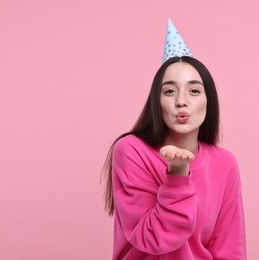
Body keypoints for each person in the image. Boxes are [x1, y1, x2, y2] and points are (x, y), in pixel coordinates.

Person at [103, 20, 246, 259]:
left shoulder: (225, 163)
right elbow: (154, 239)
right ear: (156, 102)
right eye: (170, 91)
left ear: (208, 101)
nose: (182, 101)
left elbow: (230, 249)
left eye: (194, 91)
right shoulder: (131, 150)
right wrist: (177, 175)